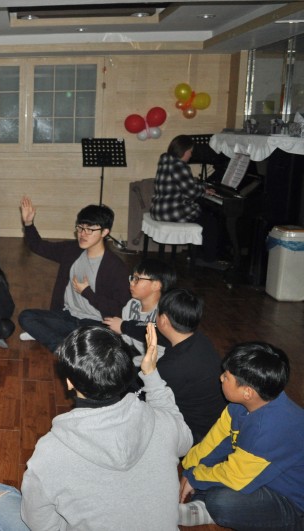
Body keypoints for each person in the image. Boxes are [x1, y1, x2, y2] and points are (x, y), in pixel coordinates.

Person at [0, 325, 193, 530]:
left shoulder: (51, 451)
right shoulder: (163, 422)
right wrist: (151, 374)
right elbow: (185, 439)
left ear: (70, 382)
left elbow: (40, 525)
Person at [179, 342, 304, 529]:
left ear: (247, 392)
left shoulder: (270, 429)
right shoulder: (239, 406)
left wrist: (196, 478)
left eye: (227, 377)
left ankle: (208, 507)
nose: (220, 378)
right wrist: (189, 469)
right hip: (254, 473)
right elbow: (214, 443)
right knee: (200, 459)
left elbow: (235, 476)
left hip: (289, 501)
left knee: (220, 501)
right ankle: (204, 504)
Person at [18, 196, 130, 352]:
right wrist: (29, 223)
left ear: (105, 232)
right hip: (67, 316)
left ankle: (52, 337)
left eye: (90, 229)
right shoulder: (72, 250)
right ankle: (62, 346)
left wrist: (88, 293)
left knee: (101, 341)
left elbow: (119, 308)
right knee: (26, 317)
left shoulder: (115, 267)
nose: (83, 234)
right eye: (80, 228)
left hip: (95, 323)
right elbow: (38, 246)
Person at [153, 288, 226, 443]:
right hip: (214, 423)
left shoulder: (172, 365)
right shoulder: (199, 339)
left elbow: (150, 399)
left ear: (164, 320)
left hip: (195, 433)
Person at [149, 135, 220, 263]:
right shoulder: (179, 166)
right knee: (210, 222)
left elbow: (184, 184)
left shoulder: (165, 160)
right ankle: (209, 259)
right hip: (170, 211)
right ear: (184, 151)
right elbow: (191, 192)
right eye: (190, 152)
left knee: (203, 216)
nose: (191, 155)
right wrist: (203, 190)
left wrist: (202, 187)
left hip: (158, 208)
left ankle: (196, 253)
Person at [103, 258, 176, 362]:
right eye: (132, 278)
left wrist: (123, 326)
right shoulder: (131, 305)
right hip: (137, 357)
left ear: (156, 285)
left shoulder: (165, 313)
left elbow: (151, 329)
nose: (131, 283)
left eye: (137, 279)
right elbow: (127, 340)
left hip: (160, 363)